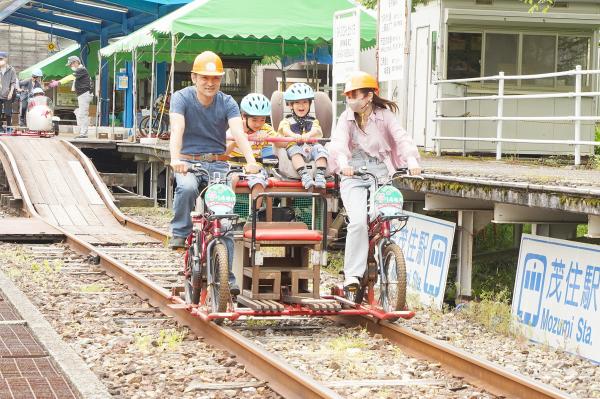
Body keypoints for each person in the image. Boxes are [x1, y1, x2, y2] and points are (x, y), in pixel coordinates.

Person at [168, 51, 260, 295]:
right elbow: (177, 128)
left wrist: (251, 161)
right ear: (194, 77)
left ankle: (226, 277)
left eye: (215, 78)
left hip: (218, 165)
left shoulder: (228, 102)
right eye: (204, 78)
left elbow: (239, 133)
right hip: (188, 162)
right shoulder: (181, 98)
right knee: (186, 188)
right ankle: (179, 232)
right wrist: (175, 158)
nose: (210, 83)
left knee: (224, 219)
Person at [326, 71, 421, 290]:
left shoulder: (385, 116)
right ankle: (352, 274)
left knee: (386, 215)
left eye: (355, 95)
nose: (350, 100)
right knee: (358, 222)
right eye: (348, 96)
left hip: (381, 170)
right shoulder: (346, 118)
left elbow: (401, 137)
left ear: (369, 96)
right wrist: (343, 164)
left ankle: (385, 252)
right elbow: (338, 143)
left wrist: (411, 160)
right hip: (354, 172)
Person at [225, 93, 281, 208]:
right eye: (254, 120)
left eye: (262, 120)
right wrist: (237, 140)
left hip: (255, 167)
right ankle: (227, 212)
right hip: (234, 164)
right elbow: (225, 152)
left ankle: (253, 216)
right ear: (243, 116)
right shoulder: (236, 127)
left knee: (259, 183)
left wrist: (269, 137)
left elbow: (282, 143)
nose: (258, 124)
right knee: (231, 179)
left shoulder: (265, 128)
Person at [277, 83, 328, 189]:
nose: (301, 106)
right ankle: (305, 176)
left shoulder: (313, 120)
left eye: (305, 102)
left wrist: (309, 135)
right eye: (297, 103)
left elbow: (316, 129)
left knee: (321, 150)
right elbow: (284, 130)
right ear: (290, 105)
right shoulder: (287, 120)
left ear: (310, 104)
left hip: (311, 147)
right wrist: (293, 135)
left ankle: (320, 175)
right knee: (294, 152)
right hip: (295, 146)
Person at [48, 56, 93, 139]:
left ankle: (84, 134)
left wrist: (59, 82)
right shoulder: (81, 70)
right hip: (83, 94)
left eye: (71, 64)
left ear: (76, 62)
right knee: (80, 113)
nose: (70, 66)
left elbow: (70, 77)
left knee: (83, 114)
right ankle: (83, 132)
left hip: (84, 94)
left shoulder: (81, 70)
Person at [0, 52, 18, 133]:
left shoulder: (11, 70)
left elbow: (13, 82)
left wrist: (11, 92)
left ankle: (9, 128)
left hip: (7, 95)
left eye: (1, 59)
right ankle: (0, 128)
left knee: (8, 112)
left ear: (5, 59)